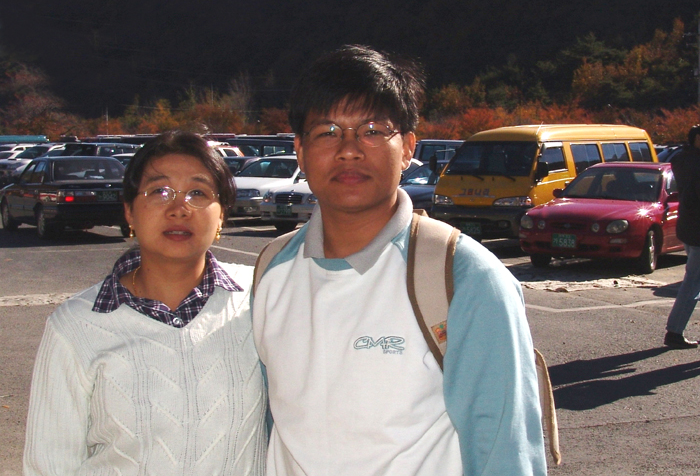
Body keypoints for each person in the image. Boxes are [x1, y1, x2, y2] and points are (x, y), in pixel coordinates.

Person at [252, 45, 546, 475]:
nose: (349, 150)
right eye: (328, 131)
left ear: (408, 147)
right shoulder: (271, 270)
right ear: (299, 149)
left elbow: (506, 451)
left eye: (372, 130)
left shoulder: (462, 277)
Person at [23, 132, 267, 475]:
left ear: (222, 215)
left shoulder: (262, 297)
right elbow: (48, 464)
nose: (179, 208)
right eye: (159, 191)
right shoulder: (76, 325)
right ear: (129, 212)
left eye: (198, 192)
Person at [664, 124, 700, 349]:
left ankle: (675, 330)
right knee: (692, 283)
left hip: (688, 227)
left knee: (693, 280)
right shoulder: (695, 164)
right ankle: (674, 331)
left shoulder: (683, 159)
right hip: (697, 230)